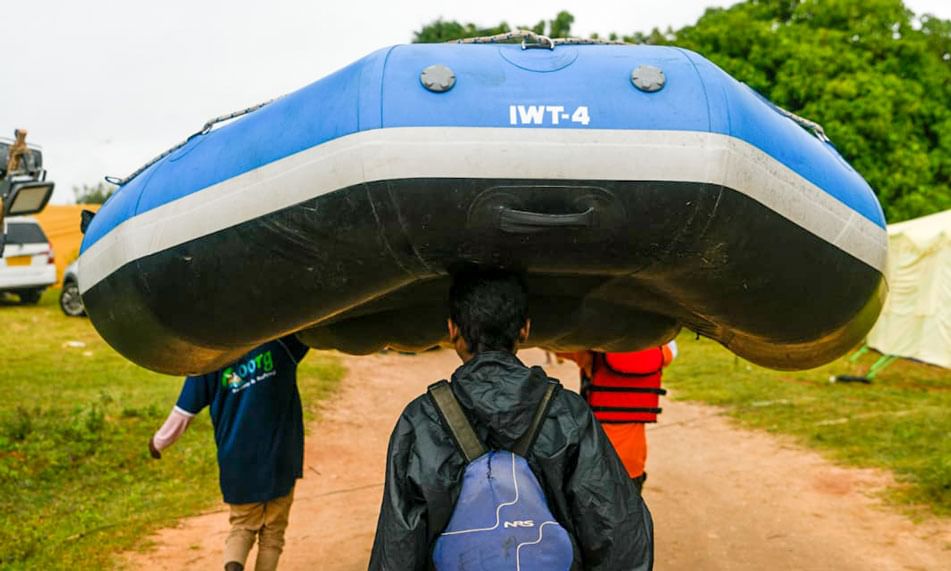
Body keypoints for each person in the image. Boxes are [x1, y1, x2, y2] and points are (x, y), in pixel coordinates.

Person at [370, 270, 653, 570]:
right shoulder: (567, 413)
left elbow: (397, 545)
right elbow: (620, 534)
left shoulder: (420, 419)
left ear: (453, 331)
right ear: (525, 331)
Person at [149, 335, 309, 571]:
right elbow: (313, 328)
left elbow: (182, 414)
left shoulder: (208, 358)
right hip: (281, 456)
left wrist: (157, 443)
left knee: (242, 526)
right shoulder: (281, 343)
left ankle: (233, 566)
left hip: (238, 461)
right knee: (273, 533)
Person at [558, 342, 677, 494]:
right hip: (633, 465)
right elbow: (672, 347)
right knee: (629, 515)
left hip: (595, 462)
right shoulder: (660, 353)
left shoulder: (592, 353)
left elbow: (557, 346)